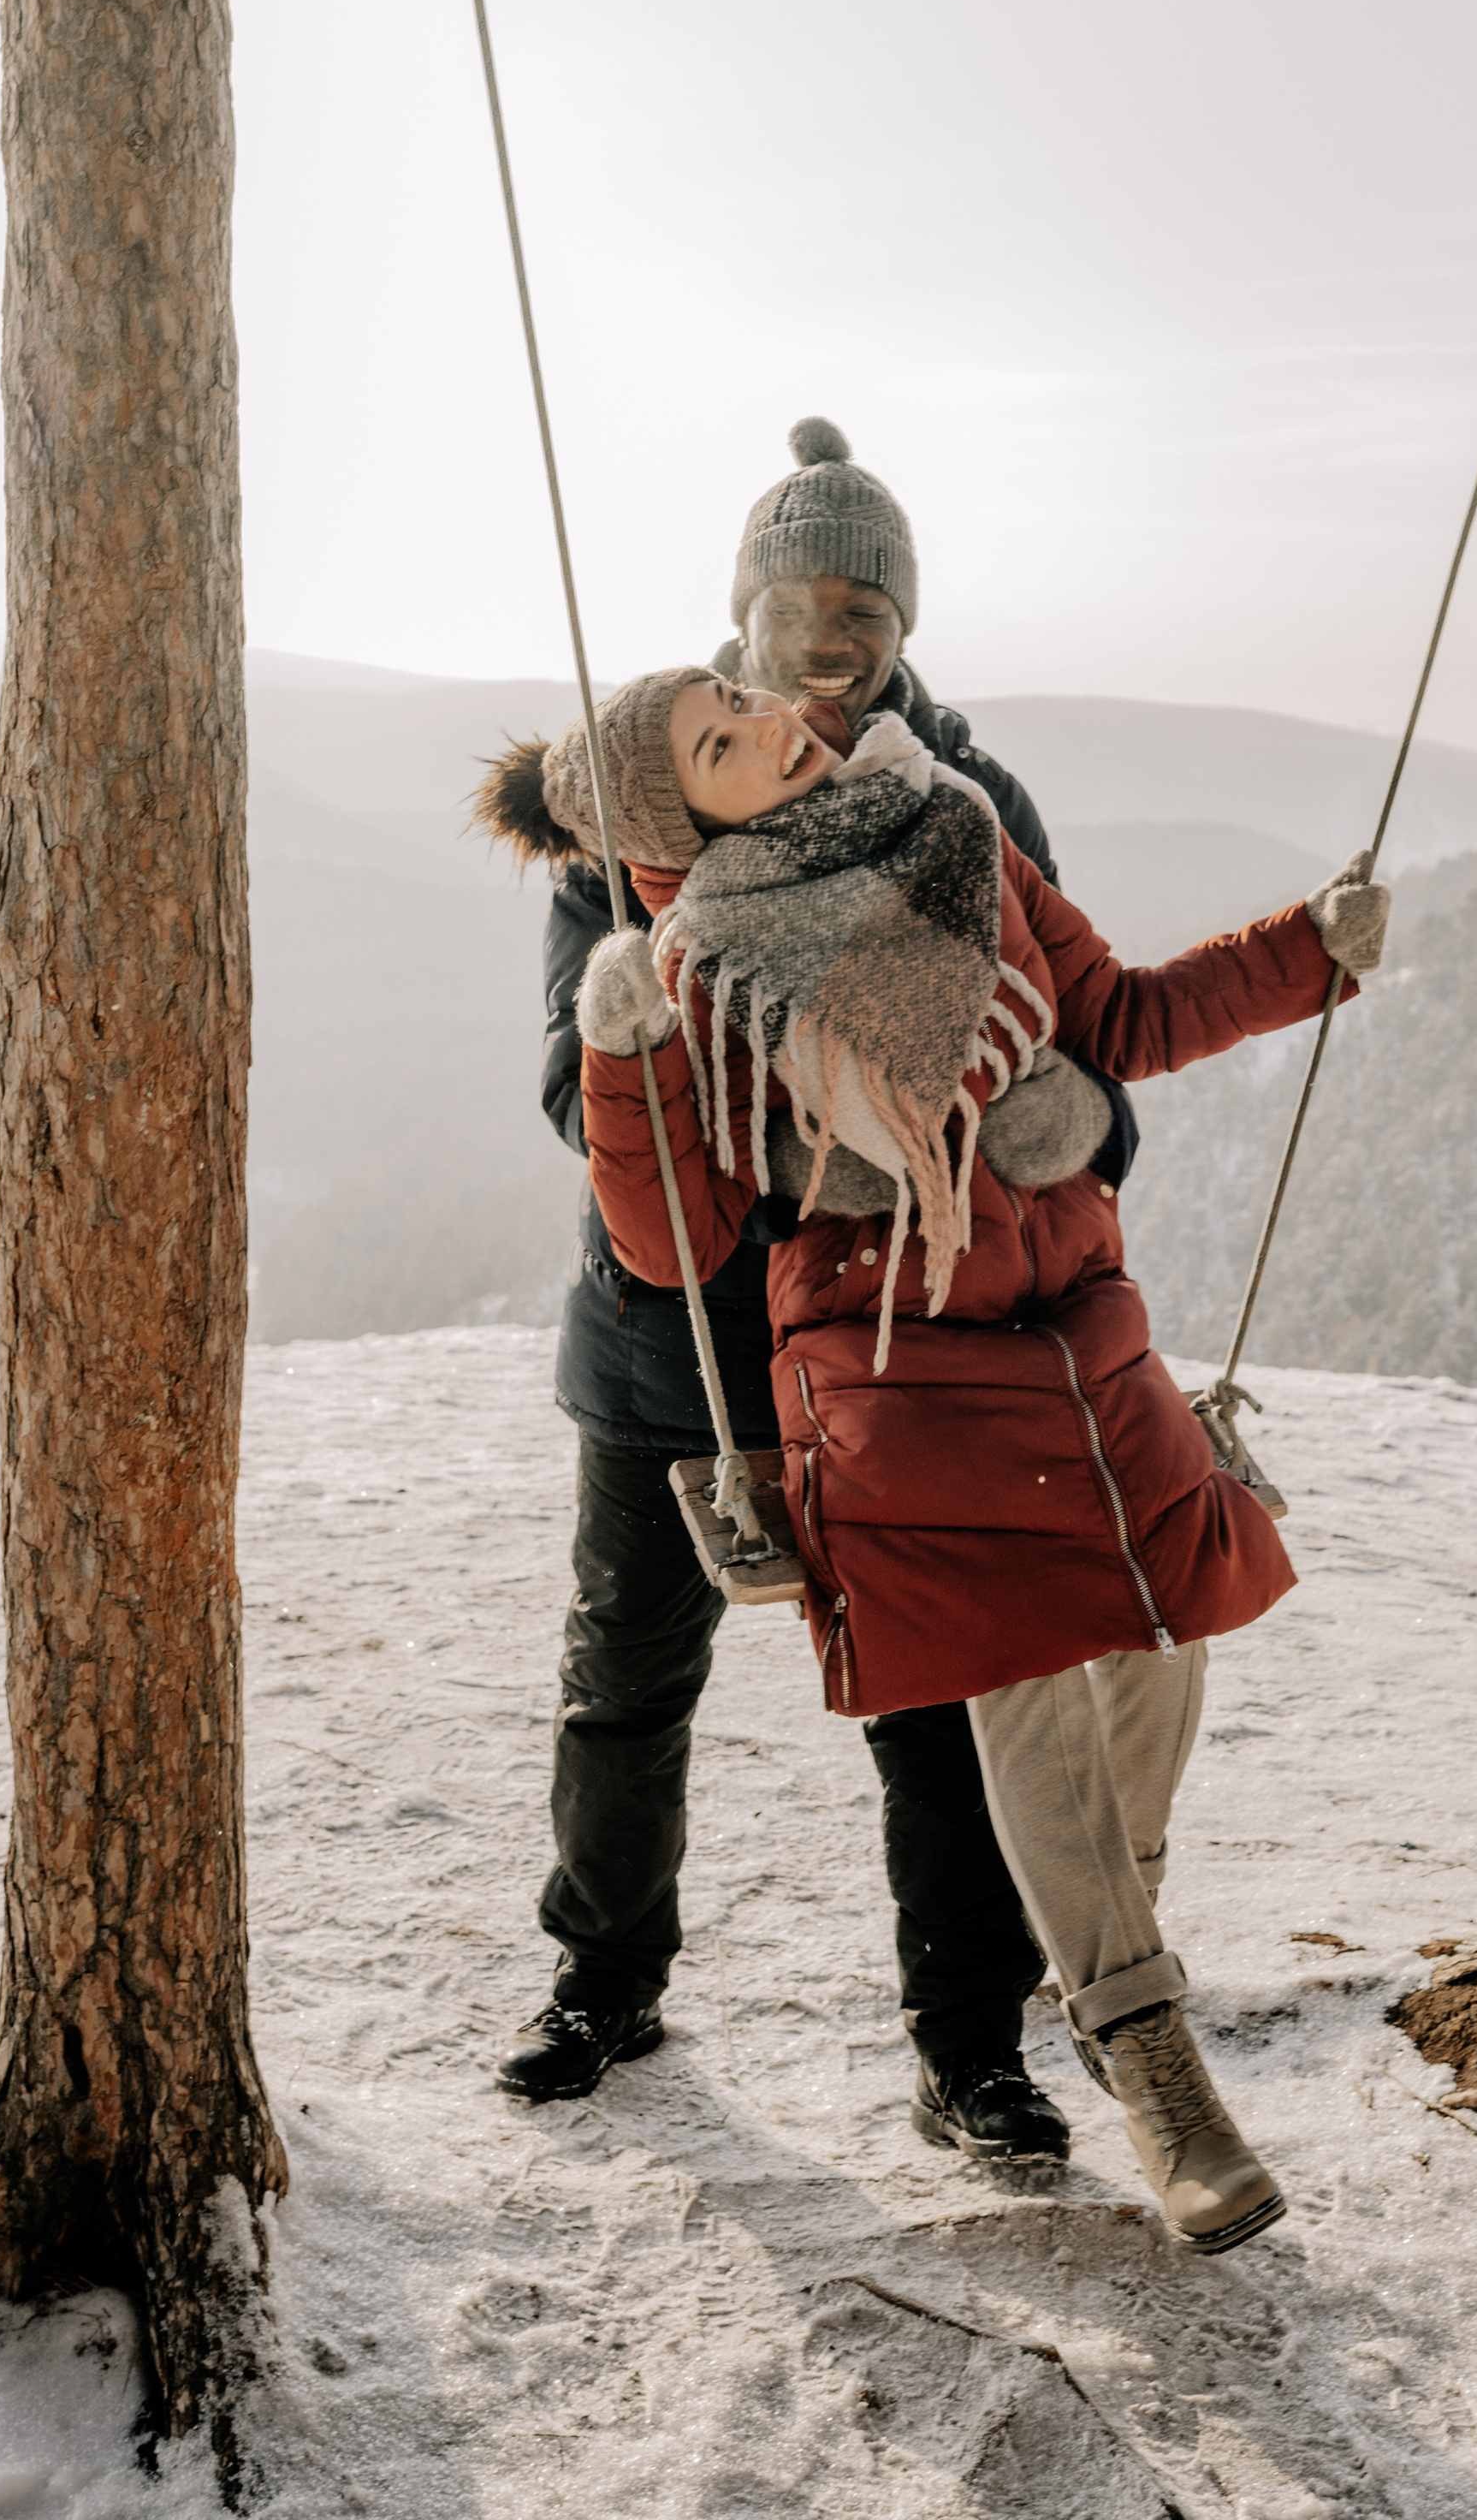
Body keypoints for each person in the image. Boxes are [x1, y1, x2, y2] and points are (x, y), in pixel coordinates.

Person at [481, 662, 1390, 2253]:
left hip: (1074, 1302)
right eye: (717, 742)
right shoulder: (695, 958)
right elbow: (678, 1236)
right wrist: (625, 1054)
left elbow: (1117, 1016)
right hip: (892, 1350)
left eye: (733, 699)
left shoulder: (954, 822)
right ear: (687, 816)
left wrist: (1300, 955)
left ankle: (1104, 1918)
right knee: (1028, 1667)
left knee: (1168, 1636)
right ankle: (1147, 2050)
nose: (763, 717)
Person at [496, 420, 1132, 2169]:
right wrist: (662, 1032)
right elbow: (573, 1086)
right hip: (674, 1333)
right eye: (801, 598)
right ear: (746, 609)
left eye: (866, 601)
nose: (830, 634)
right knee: (628, 1669)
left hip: (890, 1331)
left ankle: (970, 2051)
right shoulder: (634, 793)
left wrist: (1082, 1122)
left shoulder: (966, 808)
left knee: (935, 1693)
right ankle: (602, 1987)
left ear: (902, 619)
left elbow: (1060, 1028)